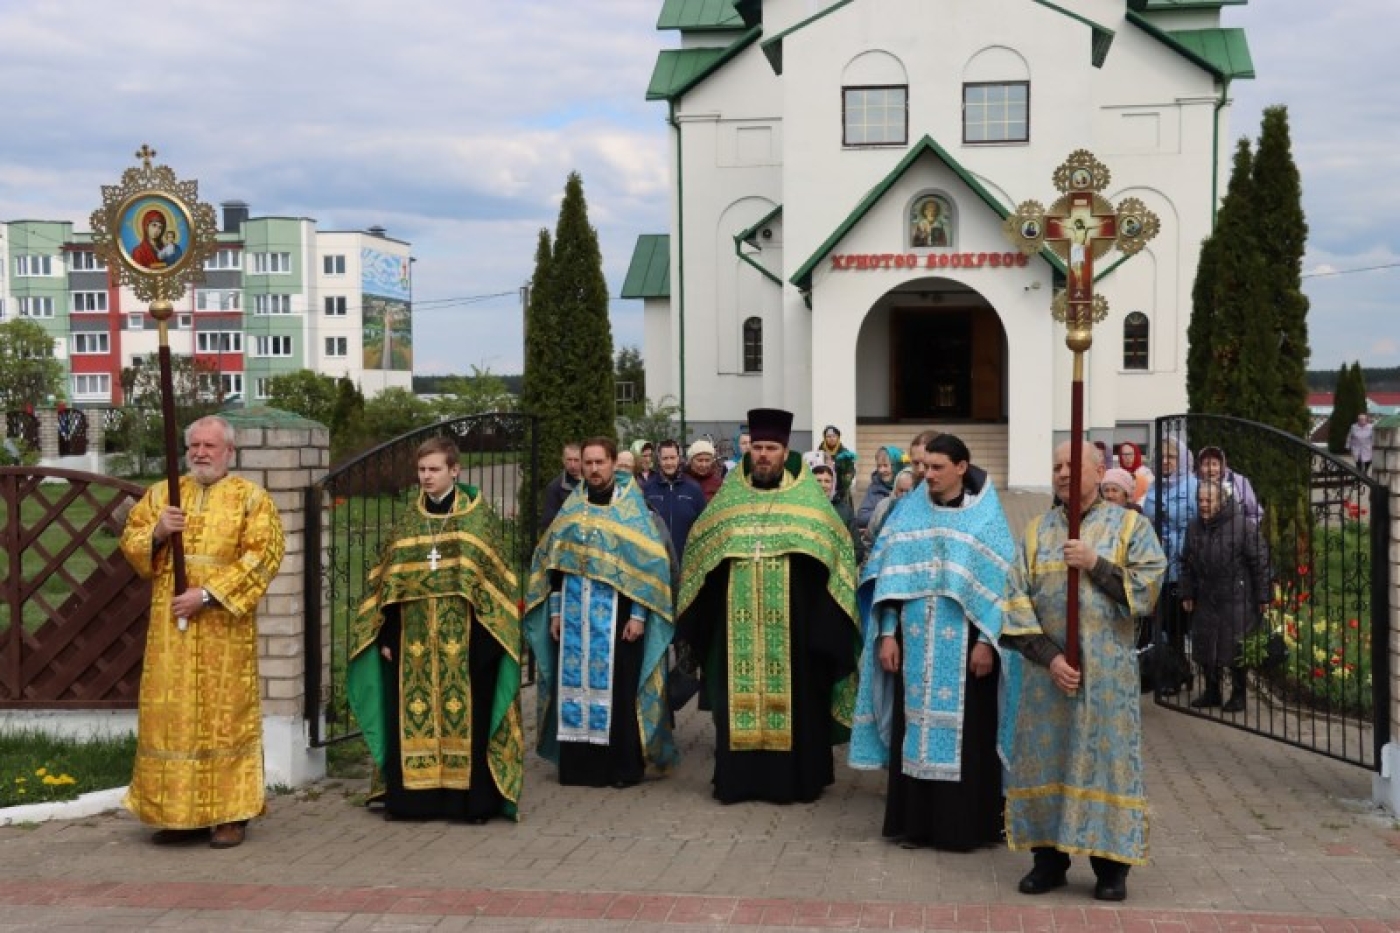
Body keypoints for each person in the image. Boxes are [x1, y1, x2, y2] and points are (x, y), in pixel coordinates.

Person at [1001, 441, 1166, 902]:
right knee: (1047, 761)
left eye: (1073, 465)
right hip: (1047, 679)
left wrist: (1095, 564)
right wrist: (1051, 658)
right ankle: (1047, 862)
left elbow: (1151, 586)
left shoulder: (1130, 526)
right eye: (1055, 466)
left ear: (1100, 471)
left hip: (1107, 680)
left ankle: (1110, 868)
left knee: (1105, 766)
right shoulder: (1035, 532)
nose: (1063, 474)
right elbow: (1015, 601)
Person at [677, 408, 861, 804]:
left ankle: (797, 781)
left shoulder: (810, 505)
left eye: (771, 448)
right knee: (735, 705)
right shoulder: (727, 505)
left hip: (797, 635)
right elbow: (700, 558)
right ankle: (738, 781)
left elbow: (837, 557)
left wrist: (824, 632)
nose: (763, 455)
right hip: (735, 634)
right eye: (757, 447)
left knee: (801, 706)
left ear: (785, 451)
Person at [118, 415, 286, 849]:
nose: (200, 453)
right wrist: (157, 532)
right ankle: (179, 813)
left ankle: (230, 816)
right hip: (170, 631)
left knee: (223, 719)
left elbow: (263, 557)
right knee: (173, 719)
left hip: (222, 632)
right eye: (194, 445)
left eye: (210, 446)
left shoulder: (252, 500)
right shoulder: (163, 495)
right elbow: (132, 544)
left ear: (229, 451)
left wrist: (208, 595)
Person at [850, 434, 1014, 851]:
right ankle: (916, 825)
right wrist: (887, 634)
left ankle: (966, 828)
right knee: (913, 733)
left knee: (971, 740)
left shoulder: (987, 519)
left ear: (961, 467)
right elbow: (888, 582)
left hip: (966, 652)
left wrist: (985, 642)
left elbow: (1002, 588)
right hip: (914, 646)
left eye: (938, 468)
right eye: (925, 467)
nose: (928, 475)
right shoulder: (908, 513)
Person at [348, 437, 524, 823]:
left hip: (465, 642)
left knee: (467, 716)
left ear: (454, 471)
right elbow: (387, 585)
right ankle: (415, 802)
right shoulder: (409, 520)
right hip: (412, 643)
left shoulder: (478, 519)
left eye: (434, 470)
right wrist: (388, 635)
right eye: (422, 470)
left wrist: (486, 640)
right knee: (413, 715)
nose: (426, 477)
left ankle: (470, 803)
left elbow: (495, 583)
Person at [524, 437, 677, 787]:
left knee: (620, 691)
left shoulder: (631, 509)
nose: (593, 469)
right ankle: (580, 768)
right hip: (575, 618)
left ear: (613, 464)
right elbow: (554, 567)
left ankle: (620, 768)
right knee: (573, 687)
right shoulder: (572, 511)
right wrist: (556, 613)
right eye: (587, 463)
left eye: (599, 463)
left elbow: (650, 567)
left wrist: (639, 616)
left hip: (619, 619)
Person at [1179, 479, 1271, 713]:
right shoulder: (1193, 527)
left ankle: (1238, 694)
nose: (1203, 505)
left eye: (1208, 500)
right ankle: (1212, 691)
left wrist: (1263, 597)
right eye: (1200, 500)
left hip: (1237, 594)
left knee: (1235, 645)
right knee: (1206, 643)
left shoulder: (1243, 526)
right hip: (1206, 594)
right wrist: (1187, 592)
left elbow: (1259, 562)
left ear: (1221, 501)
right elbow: (1186, 563)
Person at [1142, 435, 1198, 683]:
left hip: (1188, 565)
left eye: (1171, 457)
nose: (1166, 461)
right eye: (1162, 457)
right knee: (1168, 625)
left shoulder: (1194, 487)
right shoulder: (1154, 489)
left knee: (1188, 624)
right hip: (1161, 565)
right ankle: (1178, 673)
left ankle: (1201, 674)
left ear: (1182, 459)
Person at [644, 438, 707, 558]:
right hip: (657, 560)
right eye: (665, 458)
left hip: (687, 559)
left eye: (672, 458)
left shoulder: (693, 489)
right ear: (659, 460)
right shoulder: (648, 489)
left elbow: (703, 526)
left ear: (679, 458)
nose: (669, 463)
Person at [854, 445, 903, 548]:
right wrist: (882, 512)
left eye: (885, 466)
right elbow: (862, 516)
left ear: (896, 466)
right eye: (879, 466)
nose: (881, 470)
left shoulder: (907, 484)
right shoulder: (875, 487)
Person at [1196, 446, 1261, 522]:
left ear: (1223, 465)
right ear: (1200, 467)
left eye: (1215, 464)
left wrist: (1245, 529)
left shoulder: (1239, 481)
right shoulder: (1193, 483)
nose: (1211, 469)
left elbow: (1255, 513)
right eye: (1206, 464)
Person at [540, 442, 582, 535]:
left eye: (576, 460)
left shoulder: (592, 482)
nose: (572, 465)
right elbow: (548, 522)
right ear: (563, 460)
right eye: (569, 460)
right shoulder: (555, 487)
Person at [819, 425, 858, 507]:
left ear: (838, 437)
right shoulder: (820, 452)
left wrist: (848, 477)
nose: (831, 439)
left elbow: (851, 470)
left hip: (840, 491)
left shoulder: (844, 453)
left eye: (834, 436)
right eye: (828, 436)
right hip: (823, 489)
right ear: (825, 438)